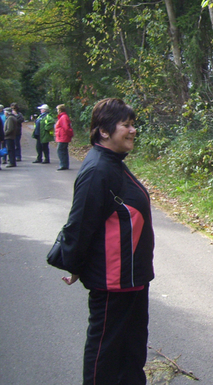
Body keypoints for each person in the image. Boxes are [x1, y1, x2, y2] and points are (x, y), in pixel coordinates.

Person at [58, 98, 155, 385]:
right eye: (126, 124)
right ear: (103, 131)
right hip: (113, 281)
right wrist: (74, 263)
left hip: (132, 277)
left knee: (132, 348)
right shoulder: (98, 169)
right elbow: (80, 223)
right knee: (106, 351)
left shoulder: (113, 163)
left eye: (133, 124)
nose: (133, 130)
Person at [55, 104, 74, 170]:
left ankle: (63, 165)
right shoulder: (63, 117)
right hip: (63, 136)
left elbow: (66, 128)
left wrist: (70, 134)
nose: (57, 111)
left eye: (57, 109)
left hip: (63, 137)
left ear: (60, 110)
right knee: (63, 150)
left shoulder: (63, 117)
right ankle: (64, 164)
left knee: (60, 150)